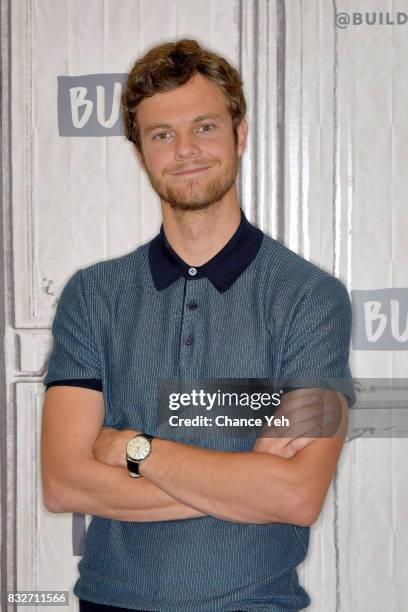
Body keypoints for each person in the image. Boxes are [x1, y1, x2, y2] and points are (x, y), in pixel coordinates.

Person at [41, 39, 355, 612]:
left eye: (205, 127)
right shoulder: (92, 297)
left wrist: (131, 447)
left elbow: (297, 493)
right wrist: (242, 483)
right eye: (162, 135)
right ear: (141, 154)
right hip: (112, 602)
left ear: (240, 134)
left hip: (255, 604)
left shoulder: (312, 300)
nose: (185, 150)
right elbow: (65, 482)